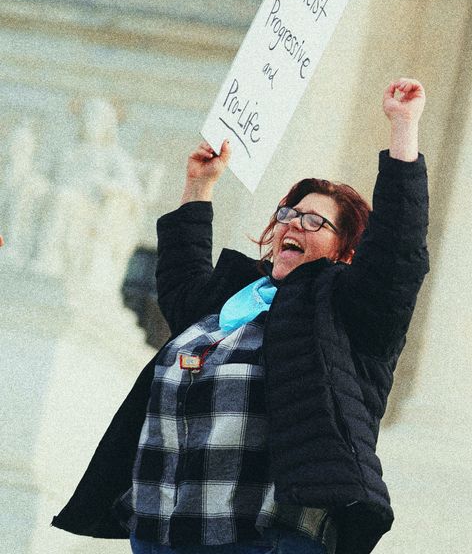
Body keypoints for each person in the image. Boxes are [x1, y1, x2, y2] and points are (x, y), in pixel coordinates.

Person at [52, 79, 429, 554]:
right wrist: (200, 184)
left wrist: (403, 129)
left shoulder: (345, 310)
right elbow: (181, 284)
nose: (293, 222)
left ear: (345, 251)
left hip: (263, 537)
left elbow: (396, 254)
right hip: (164, 533)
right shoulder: (237, 300)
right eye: (289, 213)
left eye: (315, 221)